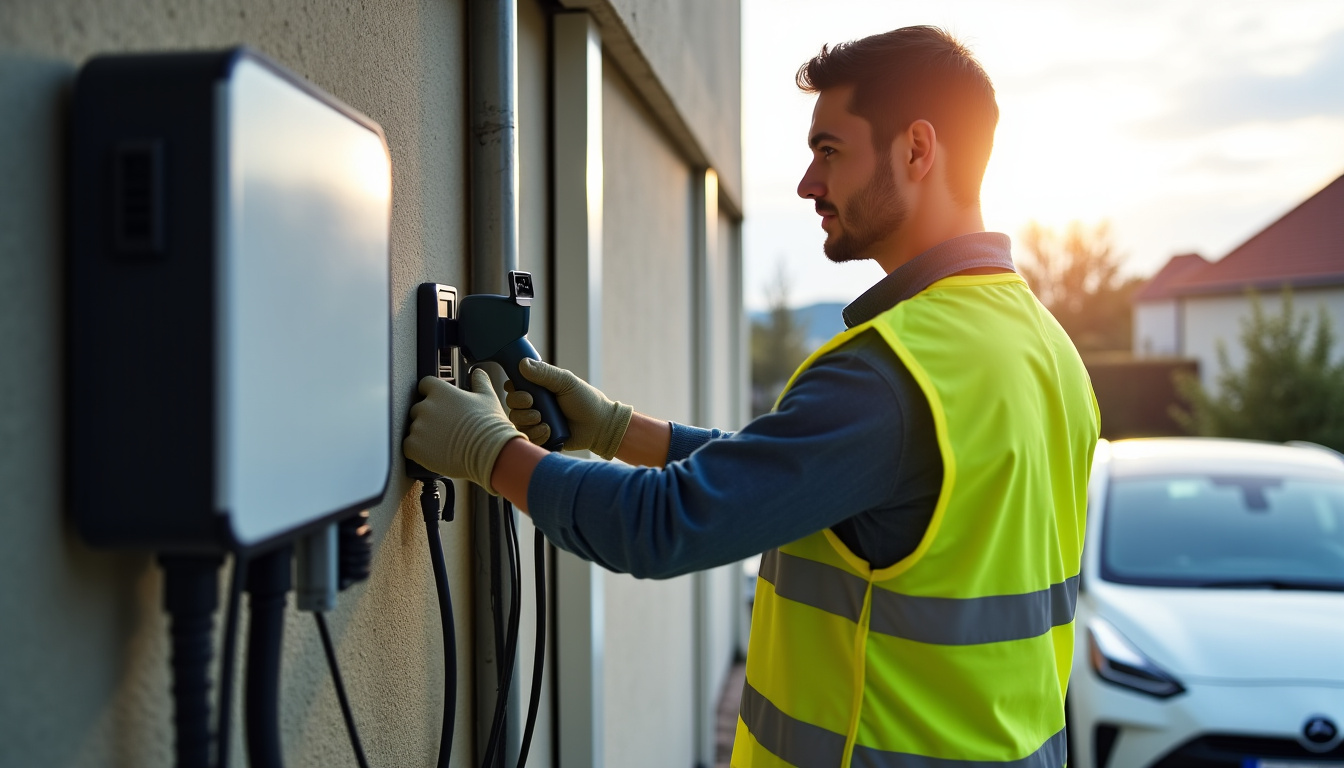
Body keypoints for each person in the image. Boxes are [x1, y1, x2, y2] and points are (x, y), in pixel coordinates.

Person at [405, 25, 1099, 768]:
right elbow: (822, 486)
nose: (807, 183)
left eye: (828, 150)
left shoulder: (891, 374)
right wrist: (614, 429)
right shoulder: (1050, 353)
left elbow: (661, 524)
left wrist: (489, 451)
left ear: (917, 150)